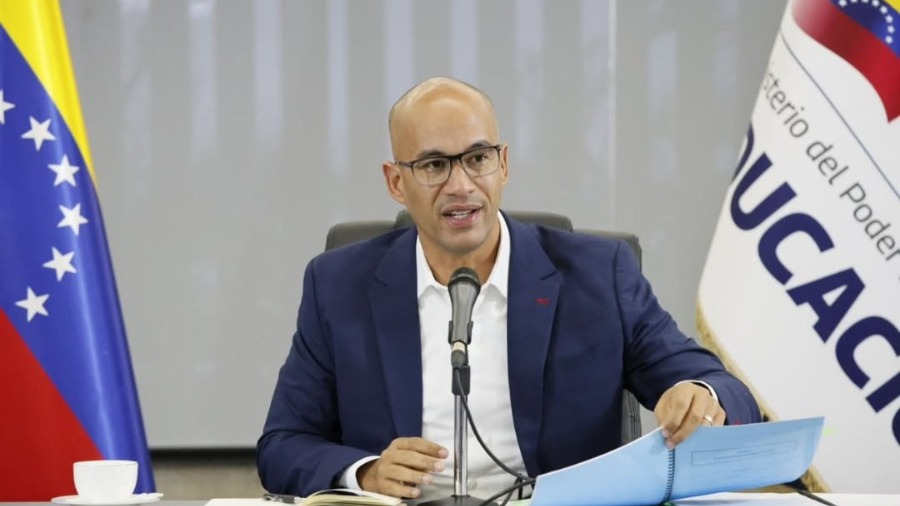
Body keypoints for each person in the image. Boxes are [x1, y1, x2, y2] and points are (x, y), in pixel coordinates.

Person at [257, 77, 761, 501]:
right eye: (434, 165)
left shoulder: (599, 275)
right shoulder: (338, 285)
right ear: (396, 182)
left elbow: (727, 391)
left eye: (477, 157)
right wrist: (366, 473)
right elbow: (282, 445)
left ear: (503, 164)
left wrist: (700, 396)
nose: (461, 185)